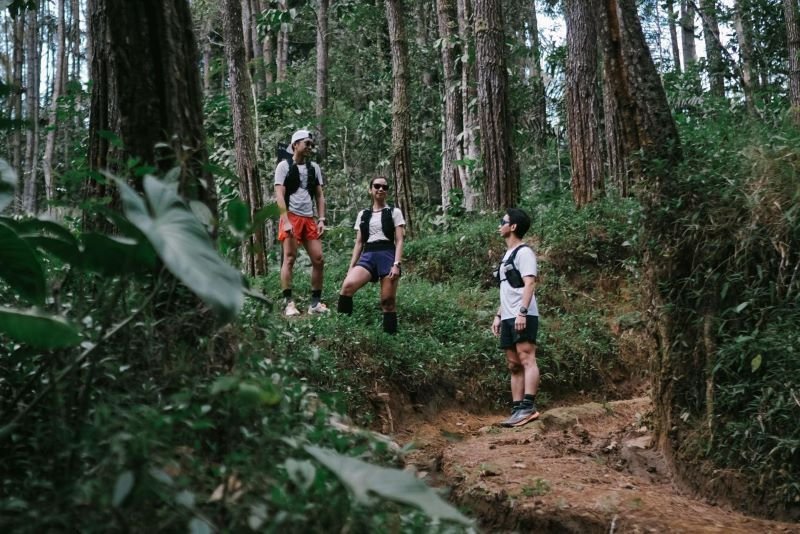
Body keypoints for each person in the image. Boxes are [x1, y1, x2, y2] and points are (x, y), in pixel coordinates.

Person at [491, 208, 541, 427]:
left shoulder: (524, 253)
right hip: (508, 314)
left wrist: (522, 311)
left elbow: (529, 283)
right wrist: (499, 315)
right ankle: (517, 408)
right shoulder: (507, 255)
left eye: (503, 221)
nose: (499, 224)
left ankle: (528, 407)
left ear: (513, 227)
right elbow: (507, 289)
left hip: (523, 314)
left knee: (526, 357)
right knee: (513, 363)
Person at [336, 176, 405, 334]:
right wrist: (351, 267)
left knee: (387, 301)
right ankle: (341, 331)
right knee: (347, 287)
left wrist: (396, 264)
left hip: (387, 254)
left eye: (384, 187)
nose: (381, 189)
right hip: (368, 254)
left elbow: (400, 240)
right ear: (370, 189)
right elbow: (359, 242)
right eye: (377, 186)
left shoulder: (394, 212)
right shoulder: (363, 214)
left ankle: (390, 339)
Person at [275, 129, 329, 316]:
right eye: (306, 143)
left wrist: (321, 219)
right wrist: (286, 220)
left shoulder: (314, 168)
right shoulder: (283, 166)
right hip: (291, 216)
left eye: (311, 144)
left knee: (318, 259)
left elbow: (320, 195)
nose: (309, 147)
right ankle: (289, 302)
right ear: (295, 145)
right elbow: (279, 194)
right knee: (289, 258)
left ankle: (315, 303)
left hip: (309, 218)